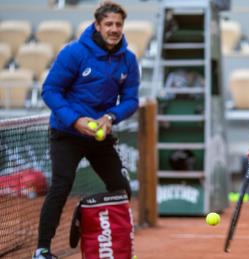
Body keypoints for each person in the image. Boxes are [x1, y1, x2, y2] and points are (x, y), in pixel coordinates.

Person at [33, 1, 139, 258]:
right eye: (109, 24)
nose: (114, 29)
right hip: (67, 134)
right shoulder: (74, 53)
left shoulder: (128, 59)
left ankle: (120, 247)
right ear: (97, 25)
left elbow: (131, 100)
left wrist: (111, 116)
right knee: (61, 187)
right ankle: (42, 250)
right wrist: (75, 120)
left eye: (118, 24)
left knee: (121, 188)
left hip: (100, 136)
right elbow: (50, 90)